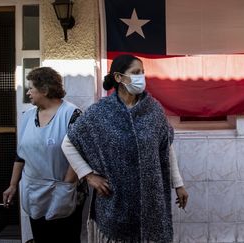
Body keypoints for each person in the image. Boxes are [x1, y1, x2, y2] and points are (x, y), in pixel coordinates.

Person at [61, 54, 189, 242]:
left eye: (143, 73)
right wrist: (88, 175)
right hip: (114, 200)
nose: (141, 77)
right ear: (119, 77)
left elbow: (166, 147)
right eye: (136, 73)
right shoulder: (101, 112)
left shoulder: (153, 110)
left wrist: (178, 184)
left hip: (150, 199)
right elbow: (68, 143)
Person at [2, 67, 87, 243]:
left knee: (66, 238)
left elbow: (80, 153)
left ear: (45, 90)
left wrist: (65, 186)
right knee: (42, 238)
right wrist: (12, 185)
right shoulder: (27, 116)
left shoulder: (72, 114)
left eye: (31, 88)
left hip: (65, 192)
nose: (28, 92)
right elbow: (21, 155)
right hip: (35, 192)